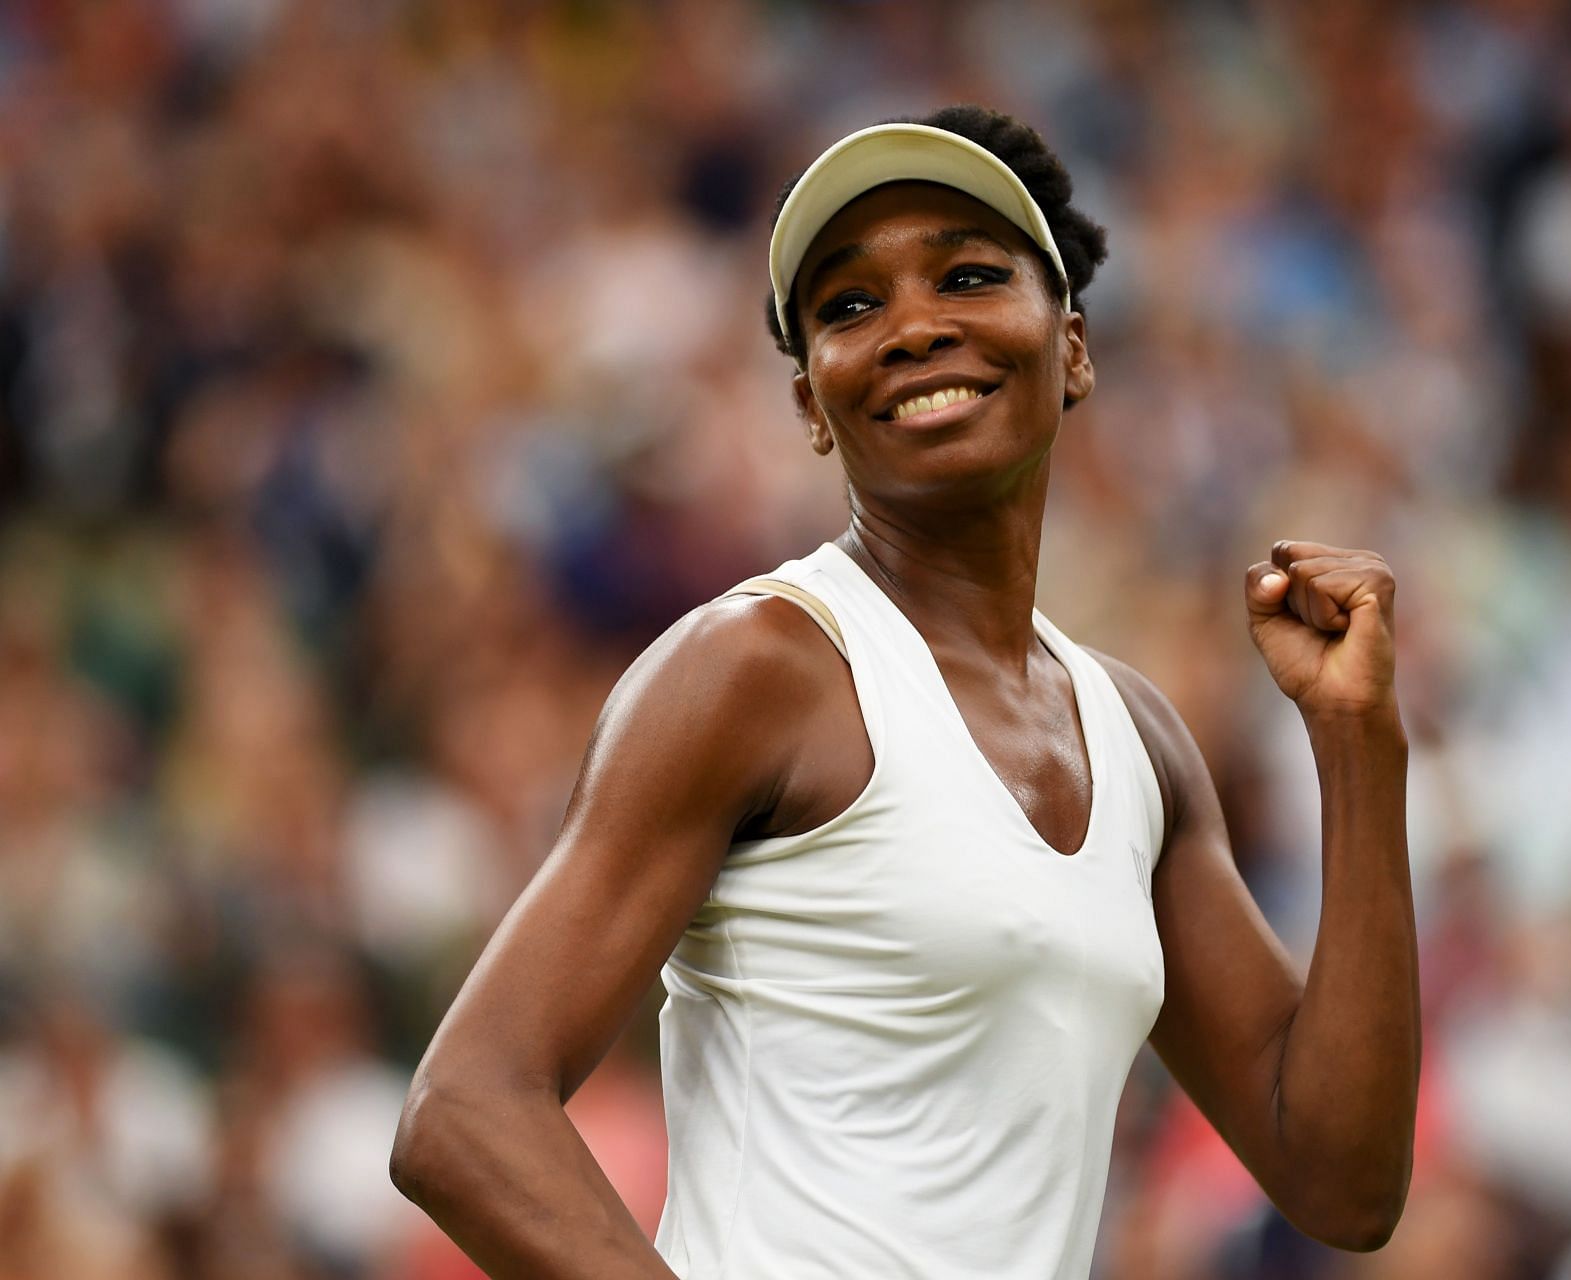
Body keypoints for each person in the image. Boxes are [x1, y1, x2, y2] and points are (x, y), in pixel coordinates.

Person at [388, 104, 1419, 1279]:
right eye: (849, 306)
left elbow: (1341, 1176)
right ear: (809, 405)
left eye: (969, 275)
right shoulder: (756, 668)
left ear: (1072, 345)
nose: (914, 326)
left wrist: (1357, 741)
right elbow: (465, 1107)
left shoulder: (1138, 739)